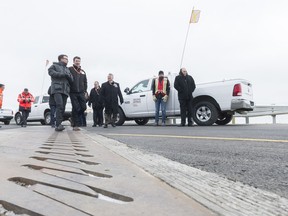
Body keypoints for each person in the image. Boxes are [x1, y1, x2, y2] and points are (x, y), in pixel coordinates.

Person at [48, 54, 73, 132]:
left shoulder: (67, 69)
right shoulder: (54, 66)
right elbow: (51, 73)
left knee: (63, 107)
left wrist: (69, 77)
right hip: (57, 89)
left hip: (65, 90)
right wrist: (63, 74)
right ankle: (58, 124)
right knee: (59, 105)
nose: (67, 60)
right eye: (65, 59)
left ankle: (59, 123)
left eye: (67, 59)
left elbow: (71, 79)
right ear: (61, 59)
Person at [69, 56, 88, 131]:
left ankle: (72, 117)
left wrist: (85, 90)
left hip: (81, 92)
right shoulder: (70, 69)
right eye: (76, 61)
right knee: (76, 107)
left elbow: (85, 82)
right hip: (73, 92)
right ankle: (76, 125)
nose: (77, 62)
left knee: (83, 107)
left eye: (79, 61)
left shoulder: (83, 71)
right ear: (73, 61)